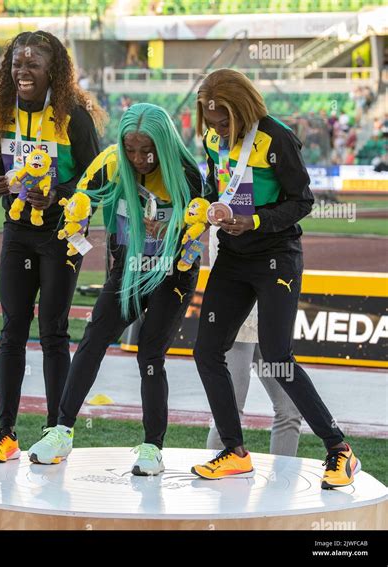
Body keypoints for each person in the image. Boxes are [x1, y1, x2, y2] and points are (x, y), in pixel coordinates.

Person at [190, 69, 360, 490]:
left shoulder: (277, 137)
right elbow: (217, 187)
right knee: (206, 349)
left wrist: (255, 220)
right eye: (212, 123)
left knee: (278, 356)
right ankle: (234, 451)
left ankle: (339, 449)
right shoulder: (213, 140)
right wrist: (212, 210)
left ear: (243, 107)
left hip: (275, 257)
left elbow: (303, 200)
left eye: (225, 121)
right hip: (232, 254)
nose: (218, 129)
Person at [27, 103, 204, 475]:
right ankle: (61, 431)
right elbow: (81, 196)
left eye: (147, 150)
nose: (138, 159)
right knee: (92, 340)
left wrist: (174, 233)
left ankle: (153, 447)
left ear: (164, 144)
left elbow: (201, 221)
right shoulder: (110, 161)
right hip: (126, 272)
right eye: (131, 149)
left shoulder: (187, 174)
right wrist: (76, 215)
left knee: (150, 353)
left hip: (172, 273)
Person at [0, 30, 107, 463]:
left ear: (53, 69)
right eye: (17, 64)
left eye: (32, 64)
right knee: (12, 328)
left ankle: (57, 431)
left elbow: (98, 180)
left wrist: (58, 194)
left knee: (53, 331)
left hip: (61, 234)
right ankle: (5, 432)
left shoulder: (75, 117)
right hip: (17, 230)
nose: (22, 71)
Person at [206, 227, 302, 457]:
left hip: (270, 326)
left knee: (290, 409)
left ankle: (283, 481)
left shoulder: (278, 216)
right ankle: (215, 476)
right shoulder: (227, 219)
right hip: (239, 328)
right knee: (230, 412)